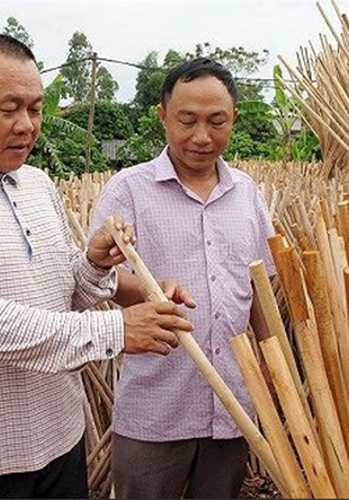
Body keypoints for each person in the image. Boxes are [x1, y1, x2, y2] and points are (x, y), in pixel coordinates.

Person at [0, 33, 195, 499]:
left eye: (35, 109)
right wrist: (116, 330)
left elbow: (62, 290)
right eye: (9, 109)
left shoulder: (36, 184)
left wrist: (92, 264)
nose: (26, 126)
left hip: (61, 443)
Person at [89, 57, 277, 499]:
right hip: (156, 406)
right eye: (187, 120)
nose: (202, 136)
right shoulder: (128, 190)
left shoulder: (246, 193)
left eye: (217, 121)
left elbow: (260, 287)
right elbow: (100, 278)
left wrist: (272, 367)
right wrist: (150, 290)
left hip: (232, 403)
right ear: (162, 116)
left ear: (234, 119)